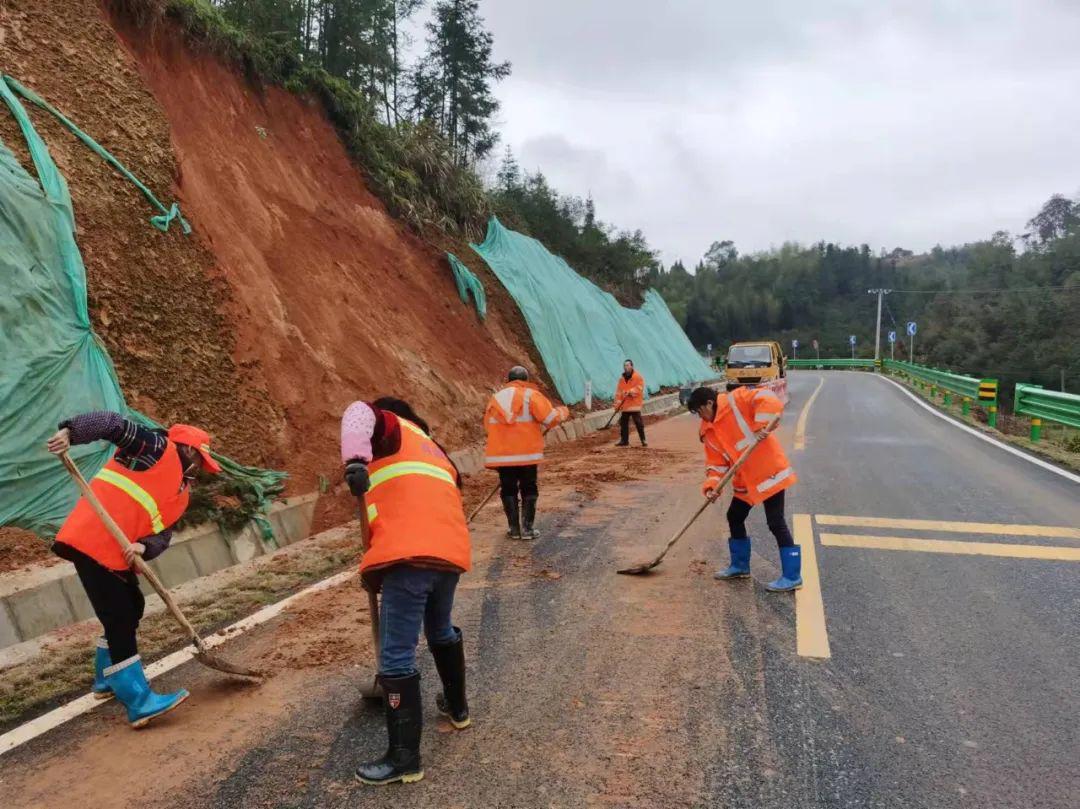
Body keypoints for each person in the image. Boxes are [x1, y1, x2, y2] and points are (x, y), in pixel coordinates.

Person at [45, 411, 222, 727]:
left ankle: (104, 679)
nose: (201, 468)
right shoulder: (154, 447)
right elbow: (112, 424)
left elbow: (162, 534)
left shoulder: (181, 494)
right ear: (187, 448)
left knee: (133, 606)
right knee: (119, 616)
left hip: (117, 552)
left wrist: (144, 546)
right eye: (199, 458)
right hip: (91, 540)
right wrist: (71, 433)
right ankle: (138, 700)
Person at [340, 398, 472, 786]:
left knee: (396, 655)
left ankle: (404, 759)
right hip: (449, 556)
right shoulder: (435, 449)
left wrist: (356, 462)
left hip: (409, 556)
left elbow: (358, 411)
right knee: (440, 630)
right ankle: (458, 708)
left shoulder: (390, 427)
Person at [686, 385, 802, 592]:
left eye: (700, 410)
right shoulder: (708, 430)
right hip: (745, 479)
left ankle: (792, 576)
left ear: (709, 403)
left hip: (768, 472)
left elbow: (768, 397)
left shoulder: (736, 400)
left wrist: (762, 424)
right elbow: (716, 464)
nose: (700, 416)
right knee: (734, 516)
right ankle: (740, 566)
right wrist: (712, 485)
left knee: (775, 522)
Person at [483, 366, 570, 539]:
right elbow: (550, 419)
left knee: (508, 490)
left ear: (509, 380)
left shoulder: (495, 399)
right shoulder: (530, 395)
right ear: (525, 380)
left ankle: (514, 530)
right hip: (527, 454)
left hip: (503, 456)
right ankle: (528, 530)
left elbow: (488, 427)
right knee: (529, 488)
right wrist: (563, 411)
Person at [615, 359, 647, 447]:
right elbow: (618, 393)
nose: (626, 367)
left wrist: (630, 391)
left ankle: (643, 439)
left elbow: (639, 388)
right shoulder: (621, 379)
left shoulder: (637, 377)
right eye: (625, 365)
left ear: (632, 366)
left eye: (628, 365)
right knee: (623, 423)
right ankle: (624, 441)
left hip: (634, 405)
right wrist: (617, 405)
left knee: (638, 423)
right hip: (625, 406)